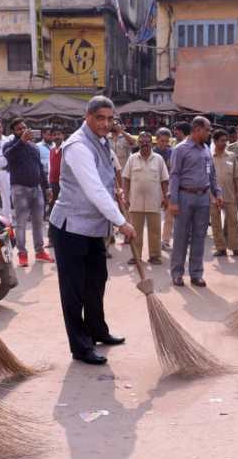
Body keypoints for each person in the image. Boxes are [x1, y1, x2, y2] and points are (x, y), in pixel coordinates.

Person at [49, 96, 136, 365]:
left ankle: (98, 330)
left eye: (110, 119)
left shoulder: (102, 141)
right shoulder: (77, 145)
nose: (105, 124)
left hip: (94, 228)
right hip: (71, 228)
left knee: (97, 281)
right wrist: (121, 221)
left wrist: (118, 190)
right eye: (100, 118)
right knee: (74, 291)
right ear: (87, 116)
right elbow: (93, 188)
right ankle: (80, 346)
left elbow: (108, 176)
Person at [169, 116, 222, 287]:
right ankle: (177, 273)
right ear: (197, 129)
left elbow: (211, 173)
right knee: (181, 237)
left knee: (200, 237)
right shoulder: (181, 149)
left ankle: (196, 274)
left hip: (203, 198)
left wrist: (217, 192)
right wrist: (174, 201)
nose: (209, 133)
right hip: (185, 197)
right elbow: (174, 176)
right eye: (207, 130)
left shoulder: (206, 148)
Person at [2, 118, 52, 267]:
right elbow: (8, 156)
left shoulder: (34, 147)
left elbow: (40, 168)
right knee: (21, 223)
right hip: (20, 189)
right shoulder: (10, 145)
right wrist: (21, 141)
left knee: (38, 222)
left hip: (37, 189)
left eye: (24, 128)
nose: (23, 131)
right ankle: (22, 254)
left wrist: (47, 187)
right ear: (13, 132)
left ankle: (40, 252)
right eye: (19, 129)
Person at [122, 131, 169, 265]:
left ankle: (155, 256)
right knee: (135, 231)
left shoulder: (159, 159)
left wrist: (166, 197)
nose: (144, 145)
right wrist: (125, 196)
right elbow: (126, 179)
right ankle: (136, 257)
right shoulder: (132, 159)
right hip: (135, 201)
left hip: (154, 201)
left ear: (151, 143)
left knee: (154, 230)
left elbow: (164, 180)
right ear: (138, 143)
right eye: (141, 142)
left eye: (147, 142)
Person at [210, 129, 238, 258]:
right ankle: (220, 248)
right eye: (221, 140)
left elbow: (237, 176)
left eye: (226, 140)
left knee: (233, 222)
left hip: (230, 194)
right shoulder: (208, 157)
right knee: (215, 222)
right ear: (215, 141)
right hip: (213, 196)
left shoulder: (231, 156)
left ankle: (236, 248)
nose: (224, 143)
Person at [48, 127, 65, 207]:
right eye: (54, 135)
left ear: (63, 136)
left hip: (63, 182)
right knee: (53, 203)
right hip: (53, 182)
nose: (57, 137)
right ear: (51, 137)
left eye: (59, 134)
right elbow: (50, 167)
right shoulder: (51, 150)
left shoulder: (66, 149)